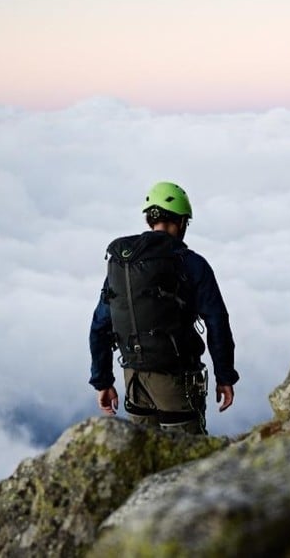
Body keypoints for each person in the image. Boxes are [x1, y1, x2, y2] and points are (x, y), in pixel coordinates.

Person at [88, 181, 238, 434]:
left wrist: (103, 381)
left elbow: (100, 325)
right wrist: (224, 376)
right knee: (188, 461)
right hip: (175, 382)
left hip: (133, 380)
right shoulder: (192, 264)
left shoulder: (123, 265)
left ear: (149, 221)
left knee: (146, 458)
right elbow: (217, 322)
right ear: (181, 222)